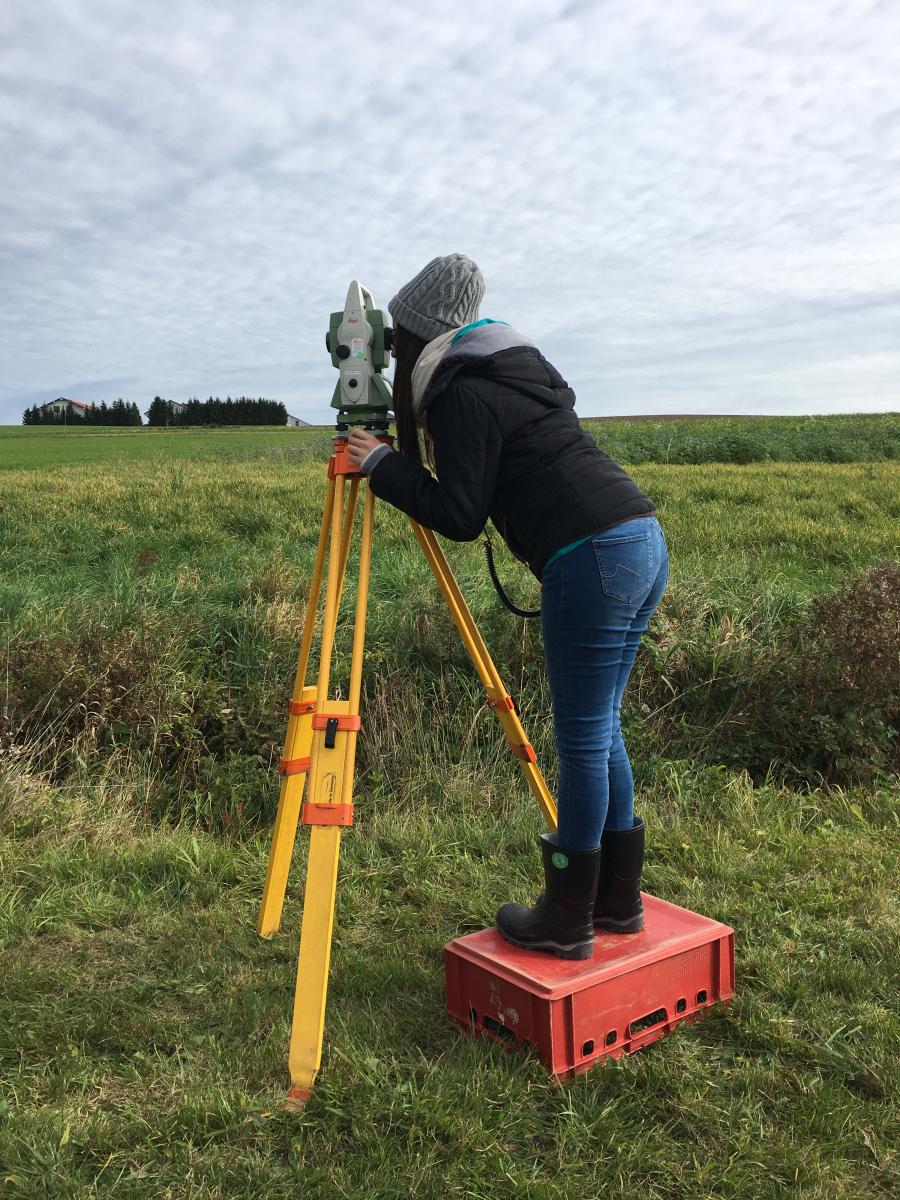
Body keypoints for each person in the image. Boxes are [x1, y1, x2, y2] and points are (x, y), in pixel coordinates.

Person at [347, 254, 668, 961]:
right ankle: (616, 902)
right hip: (639, 539)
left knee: (583, 736)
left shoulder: (461, 392)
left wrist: (379, 464)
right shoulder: (506, 369)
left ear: (418, 333)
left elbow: (460, 513)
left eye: (396, 342)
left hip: (589, 554)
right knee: (601, 727)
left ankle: (566, 919)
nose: (392, 355)